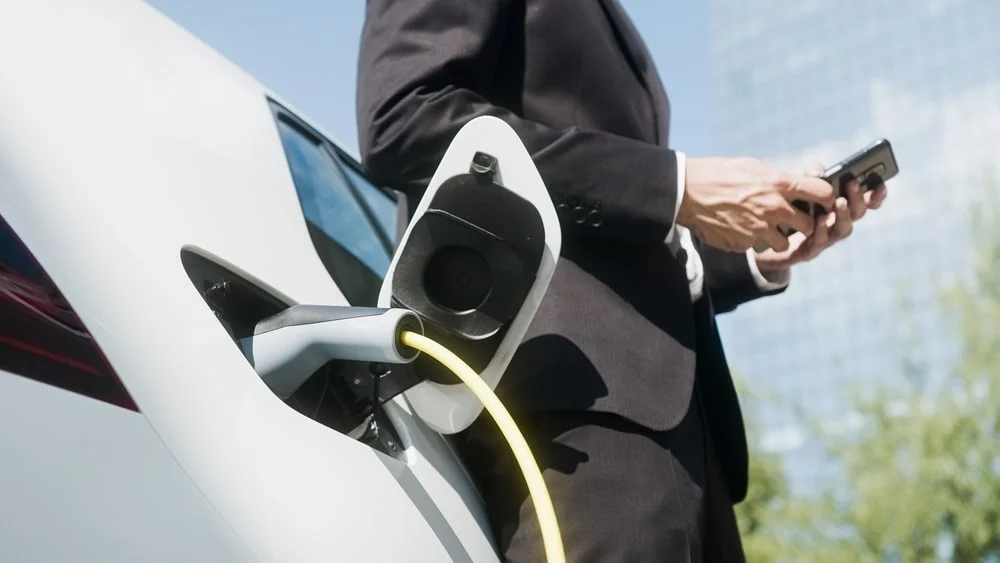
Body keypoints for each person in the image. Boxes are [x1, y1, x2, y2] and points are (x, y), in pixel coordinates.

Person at [354, 1, 888, 561]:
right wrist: (677, 188)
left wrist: (762, 252)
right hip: (566, 415)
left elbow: (627, 237)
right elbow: (406, 120)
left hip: (683, 434)